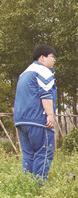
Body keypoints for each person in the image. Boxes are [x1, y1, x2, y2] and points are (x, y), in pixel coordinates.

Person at [13, 44, 57, 181]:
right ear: (42, 58)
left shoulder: (24, 73)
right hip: (38, 120)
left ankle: (28, 184)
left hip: (21, 120)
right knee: (43, 152)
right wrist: (50, 114)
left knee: (28, 154)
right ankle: (40, 184)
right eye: (52, 57)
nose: (54, 60)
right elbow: (45, 94)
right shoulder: (43, 71)